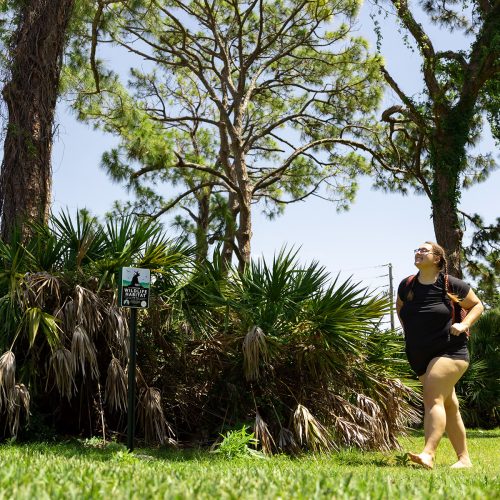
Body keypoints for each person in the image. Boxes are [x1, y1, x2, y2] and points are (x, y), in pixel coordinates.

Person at [396, 241, 484, 469]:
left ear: (437, 258)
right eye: (416, 249)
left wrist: (464, 324)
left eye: (423, 250)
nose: (418, 252)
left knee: (432, 397)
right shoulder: (407, 285)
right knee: (449, 405)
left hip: (450, 350)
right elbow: (400, 310)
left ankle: (428, 454)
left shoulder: (449, 284)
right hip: (419, 354)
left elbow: (477, 306)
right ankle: (464, 460)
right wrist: (411, 335)